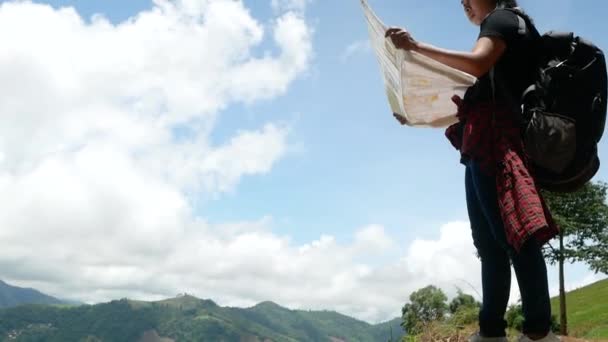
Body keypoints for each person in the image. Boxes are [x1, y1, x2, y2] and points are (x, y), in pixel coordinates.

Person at [386, 1, 561, 341]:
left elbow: (478, 64)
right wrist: (414, 115)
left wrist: (415, 46)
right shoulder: (507, 26)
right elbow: (471, 104)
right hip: (481, 143)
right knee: (491, 243)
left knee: (516, 237)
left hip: (495, 141)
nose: (464, 3)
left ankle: (539, 332)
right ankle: (491, 330)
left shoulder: (504, 19)